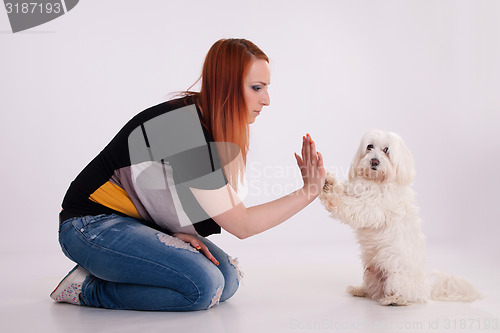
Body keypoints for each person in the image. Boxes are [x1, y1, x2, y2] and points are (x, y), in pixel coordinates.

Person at [51, 38, 326, 311]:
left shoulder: (203, 121)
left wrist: (169, 232)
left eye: (266, 88)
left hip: (132, 224)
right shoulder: (184, 131)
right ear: (226, 86)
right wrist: (308, 191)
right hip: (88, 226)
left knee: (227, 280)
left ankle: (116, 269)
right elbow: (242, 225)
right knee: (203, 288)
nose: (266, 100)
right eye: (257, 88)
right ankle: (88, 289)